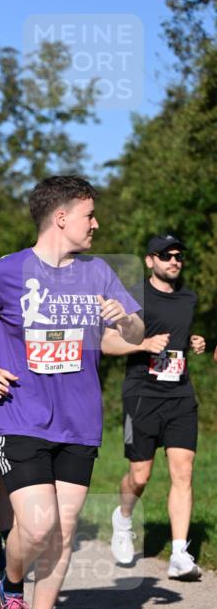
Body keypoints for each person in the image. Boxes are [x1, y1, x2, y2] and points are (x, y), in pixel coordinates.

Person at [0, 175, 143, 609]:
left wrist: (125, 319)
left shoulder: (98, 272)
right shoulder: (6, 271)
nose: (96, 224)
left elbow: (126, 335)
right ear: (62, 218)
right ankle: (10, 586)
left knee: (63, 527)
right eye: (89, 215)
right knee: (37, 526)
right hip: (20, 415)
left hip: (79, 420)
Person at [106, 234, 205, 579]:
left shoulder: (188, 297)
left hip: (180, 394)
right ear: (149, 261)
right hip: (142, 394)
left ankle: (179, 553)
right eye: (166, 255)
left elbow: (180, 336)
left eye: (178, 255)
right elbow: (107, 344)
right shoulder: (133, 297)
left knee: (183, 471)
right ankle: (124, 519)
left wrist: (195, 341)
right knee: (140, 474)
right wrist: (144, 344)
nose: (174, 261)